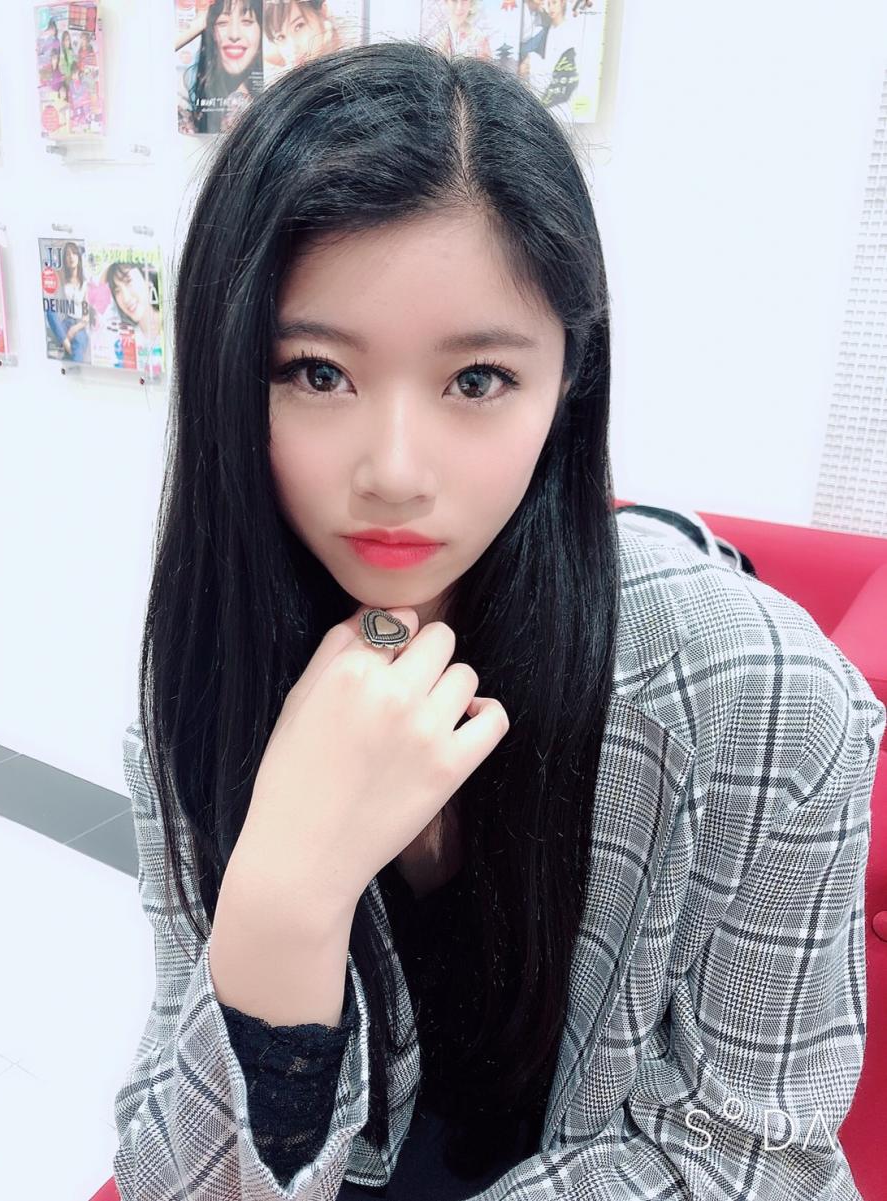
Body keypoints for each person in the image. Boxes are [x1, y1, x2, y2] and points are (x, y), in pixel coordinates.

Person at [112, 38, 885, 1201]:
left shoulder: (768, 701)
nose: (394, 471)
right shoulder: (207, 673)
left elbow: (747, 1154)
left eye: (477, 381)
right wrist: (284, 895)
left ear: (568, 380)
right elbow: (177, 1172)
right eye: (316, 371)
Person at [176, 0, 264, 135]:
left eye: (247, 22)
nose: (234, 35)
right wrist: (199, 23)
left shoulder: (275, 77)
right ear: (211, 31)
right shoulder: (188, 85)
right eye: (222, 22)